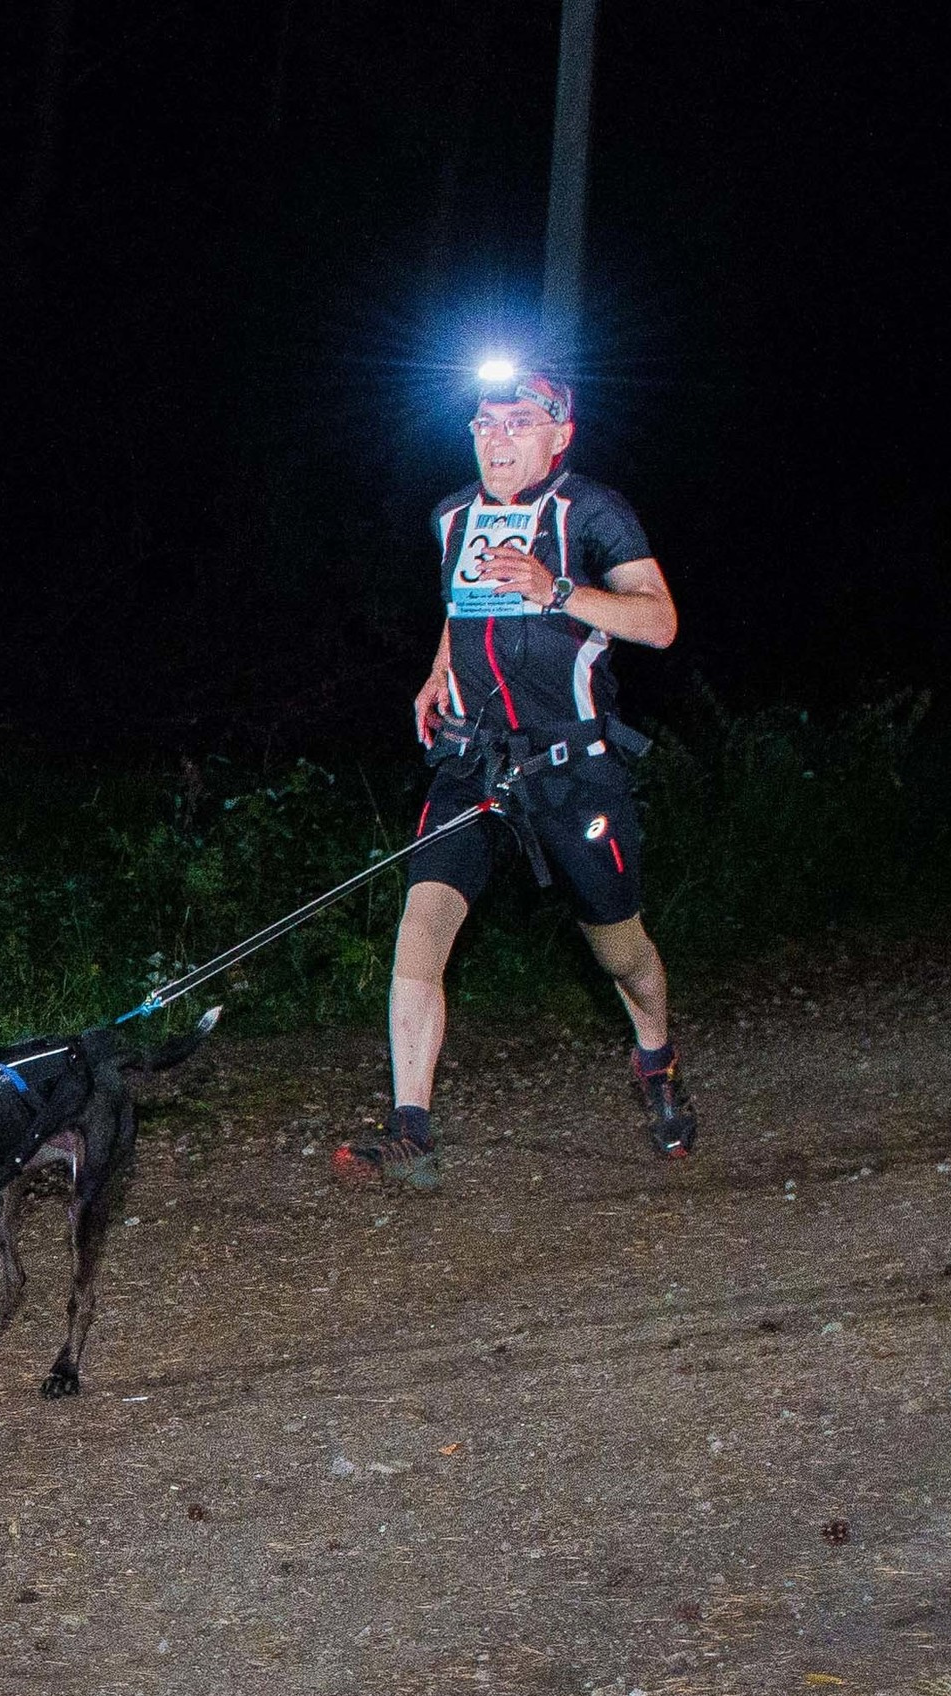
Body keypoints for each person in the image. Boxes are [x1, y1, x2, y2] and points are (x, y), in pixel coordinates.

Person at [335, 367, 696, 1190]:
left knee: (621, 952)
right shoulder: (453, 514)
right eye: (484, 423)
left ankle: (656, 1061)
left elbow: (661, 621)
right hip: (474, 760)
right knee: (420, 930)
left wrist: (558, 588)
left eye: (518, 422)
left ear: (557, 435)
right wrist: (436, 671)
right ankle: (411, 1130)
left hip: (573, 769)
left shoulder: (592, 512)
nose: (496, 438)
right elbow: (463, 611)